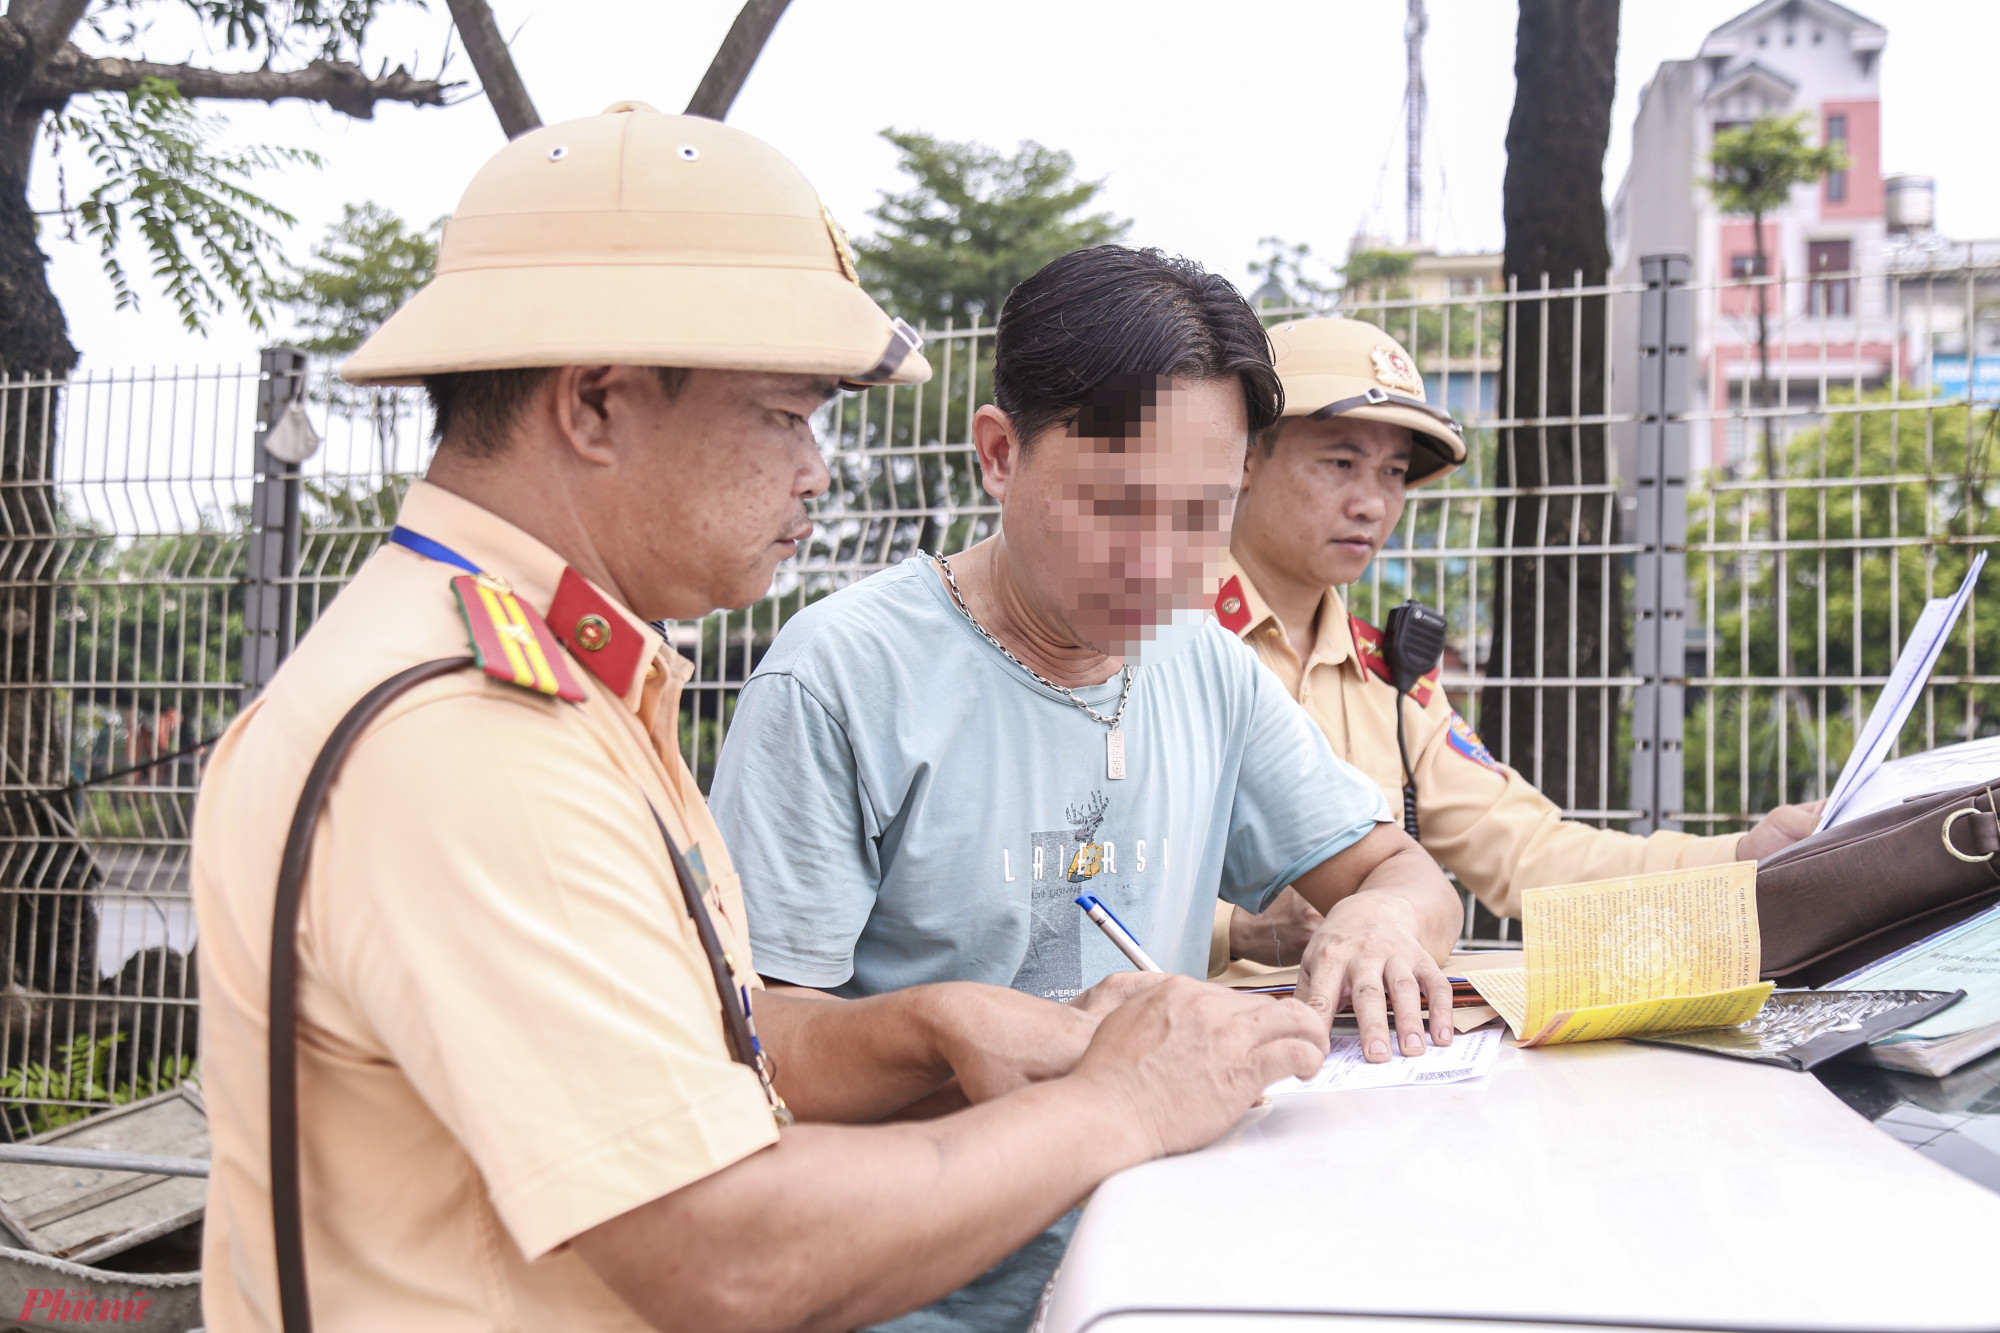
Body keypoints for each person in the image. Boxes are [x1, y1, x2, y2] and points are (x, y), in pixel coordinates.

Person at [190, 106, 1333, 1333]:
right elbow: (724, 1253)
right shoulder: (472, 739)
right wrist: (1120, 1103)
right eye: (784, 413)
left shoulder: (543, 682)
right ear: (595, 404)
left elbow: (717, 1066)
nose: (816, 469)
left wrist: (931, 1026)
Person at [709, 246, 1466, 1333]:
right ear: (998, 453)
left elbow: (1398, 864)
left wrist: (1386, 916)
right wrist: (938, 1026)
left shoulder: (1201, 666)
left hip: (1157, 1263)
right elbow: (752, 1044)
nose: (1162, 567)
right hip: (906, 1287)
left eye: (1204, 516)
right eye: (1117, 507)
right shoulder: (842, 677)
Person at [1213, 316, 1822, 970]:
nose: (1373, 503)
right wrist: (1237, 929)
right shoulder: (1151, 647)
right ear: (1245, 455)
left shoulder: (1389, 677)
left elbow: (1527, 850)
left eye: (1393, 472)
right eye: (1341, 462)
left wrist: (1741, 858)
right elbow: (1097, 864)